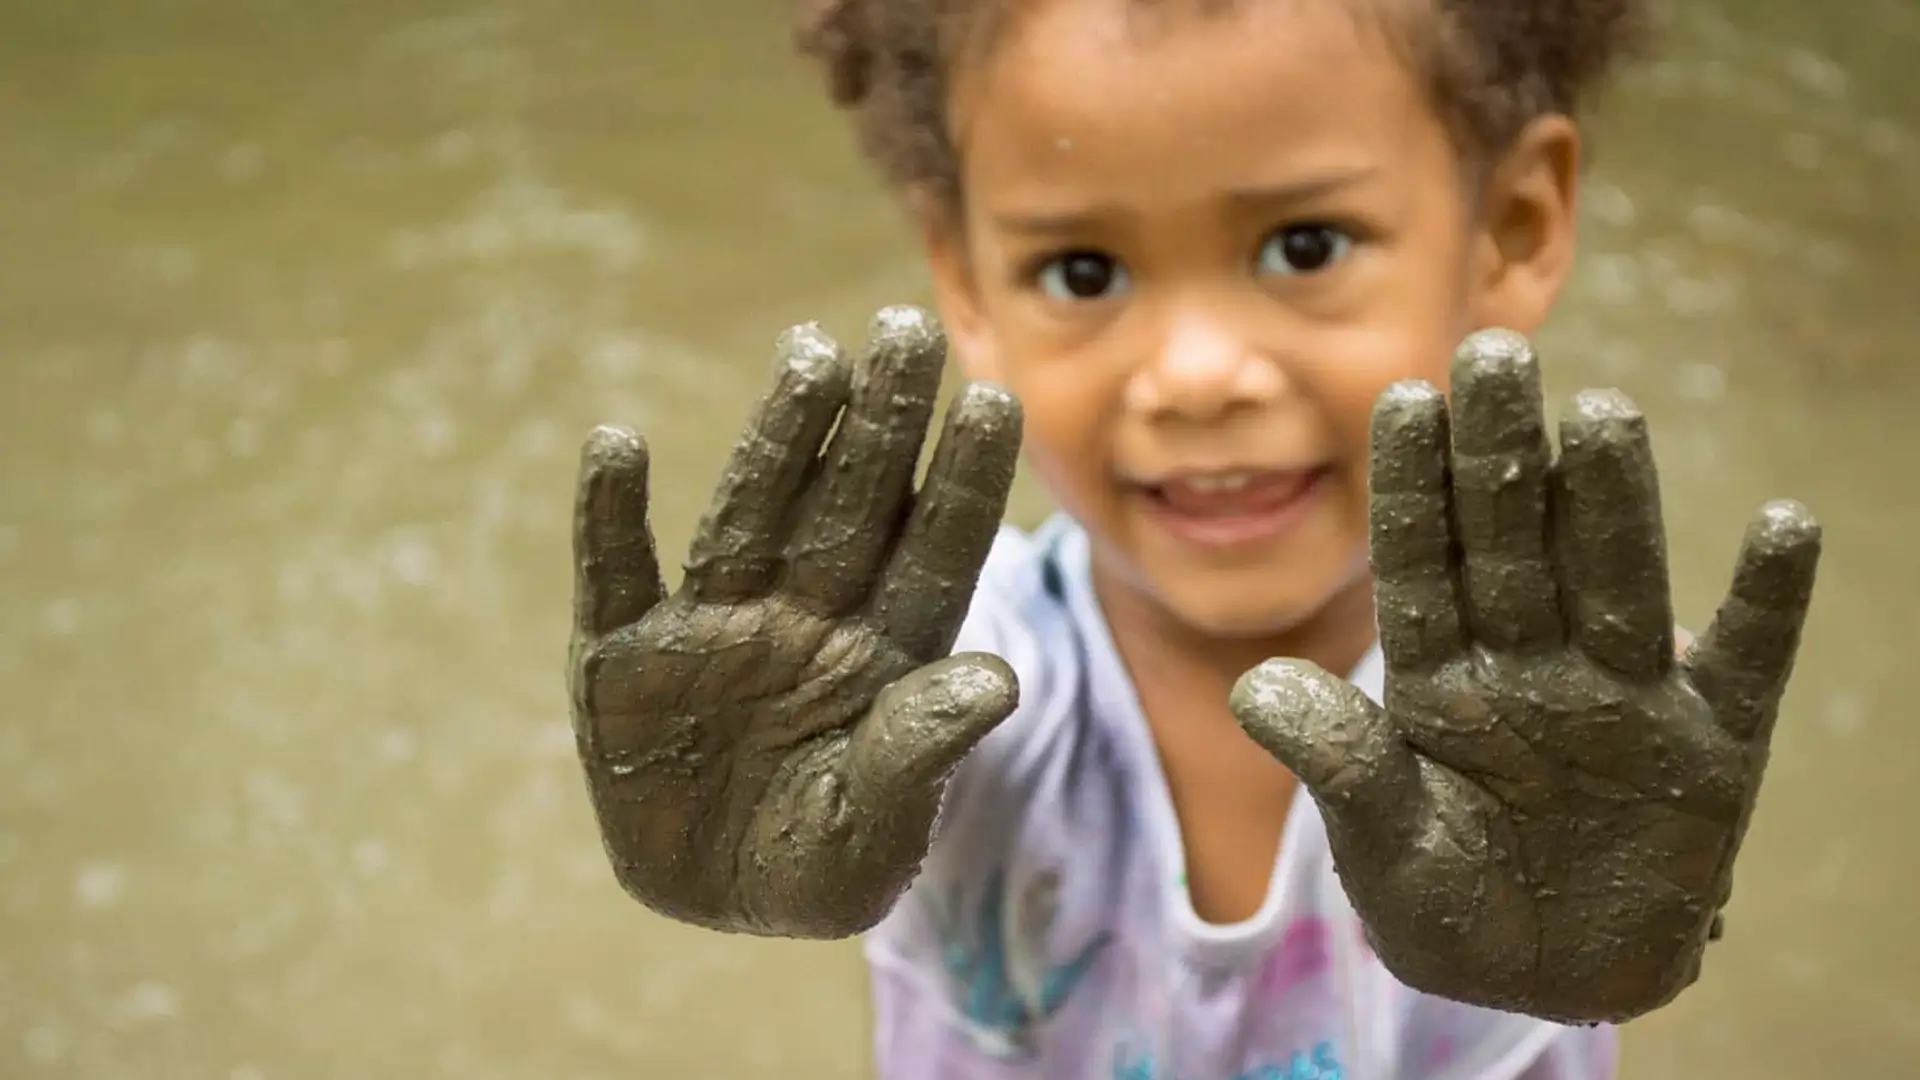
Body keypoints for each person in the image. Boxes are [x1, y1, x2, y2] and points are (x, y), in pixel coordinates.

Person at [564, 1, 1824, 1077]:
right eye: (1083, 270)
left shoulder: (1592, 723)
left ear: (1514, 225)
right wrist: (719, 866)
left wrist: (1596, 961)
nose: (1198, 373)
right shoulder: (899, 678)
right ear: (965, 279)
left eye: (1306, 245)